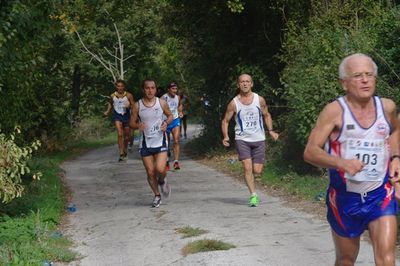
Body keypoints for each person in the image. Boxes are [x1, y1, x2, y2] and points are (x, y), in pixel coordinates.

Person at [303, 53, 400, 266]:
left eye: (369, 74)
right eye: (357, 76)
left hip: (380, 195)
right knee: (346, 259)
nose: (365, 80)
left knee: (386, 259)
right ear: (344, 83)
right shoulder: (334, 112)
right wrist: (342, 163)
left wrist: (395, 157)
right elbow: (310, 151)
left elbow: (395, 131)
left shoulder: (387, 107)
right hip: (345, 199)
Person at [221, 74, 279, 207]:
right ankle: (253, 195)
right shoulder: (233, 103)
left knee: (257, 170)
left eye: (247, 82)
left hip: (259, 139)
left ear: (251, 84)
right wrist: (225, 136)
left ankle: (254, 182)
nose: (245, 84)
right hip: (242, 139)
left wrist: (271, 131)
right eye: (242, 82)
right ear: (238, 85)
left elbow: (266, 115)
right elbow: (225, 121)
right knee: (247, 168)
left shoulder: (259, 100)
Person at [129, 79, 173, 208]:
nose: (150, 90)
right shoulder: (137, 105)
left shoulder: (162, 103)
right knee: (150, 172)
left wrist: (166, 123)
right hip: (145, 143)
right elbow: (131, 123)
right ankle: (157, 196)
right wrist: (137, 125)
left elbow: (170, 116)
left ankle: (162, 180)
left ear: (155, 89)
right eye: (147, 88)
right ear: (143, 89)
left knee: (160, 169)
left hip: (160, 141)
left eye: (152, 88)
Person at [103, 79, 135, 162]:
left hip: (126, 116)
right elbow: (110, 103)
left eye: (121, 86)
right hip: (117, 115)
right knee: (120, 134)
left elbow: (134, 106)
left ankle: (125, 150)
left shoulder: (128, 95)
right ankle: (121, 153)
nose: (120, 88)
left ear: (124, 87)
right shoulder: (113, 95)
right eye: (118, 86)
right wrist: (107, 111)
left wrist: (129, 106)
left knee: (127, 136)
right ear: (116, 87)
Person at [162, 82, 183, 170]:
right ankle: (166, 161)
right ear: (168, 89)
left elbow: (180, 105)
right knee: (166, 143)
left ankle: (176, 162)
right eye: (173, 89)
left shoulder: (178, 97)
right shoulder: (163, 98)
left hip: (175, 120)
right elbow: (158, 107)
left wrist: (180, 112)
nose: (175, 90)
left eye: (176, 89)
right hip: (165, 121)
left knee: (176, 140)